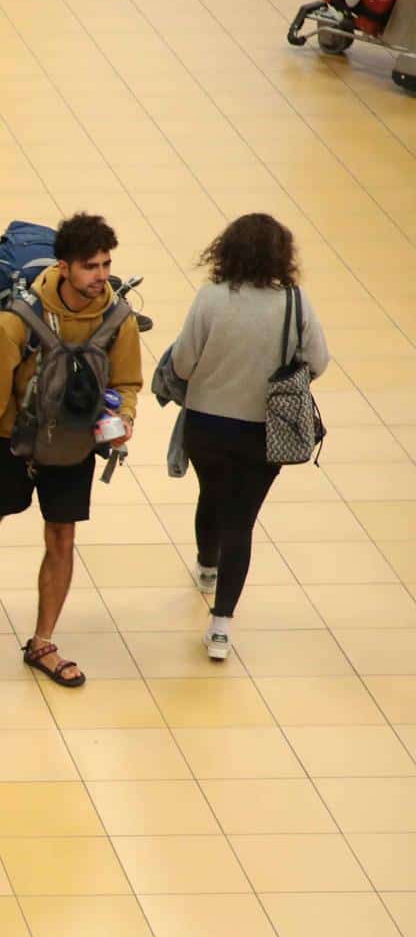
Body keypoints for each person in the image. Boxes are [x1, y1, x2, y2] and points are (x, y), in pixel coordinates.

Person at [0, 213, 143, 688]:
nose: (101, 276)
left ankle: (43, 641)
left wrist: (125, 419)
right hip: (12, 440)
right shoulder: (19, 321)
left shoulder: (118, 321)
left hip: (76, 443)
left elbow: (127, 382)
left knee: (61, 536)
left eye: (105, 265)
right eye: (90, 266)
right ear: (63, 267)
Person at [165, 212, 329, 661]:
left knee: (211, 494)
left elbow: (181, 364)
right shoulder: (295, 303)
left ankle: (206, 565)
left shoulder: (211, 298)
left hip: (207, 426)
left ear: (227, 250)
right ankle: (221, 626)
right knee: (241, 520)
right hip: (264, 432)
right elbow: (319, 360)